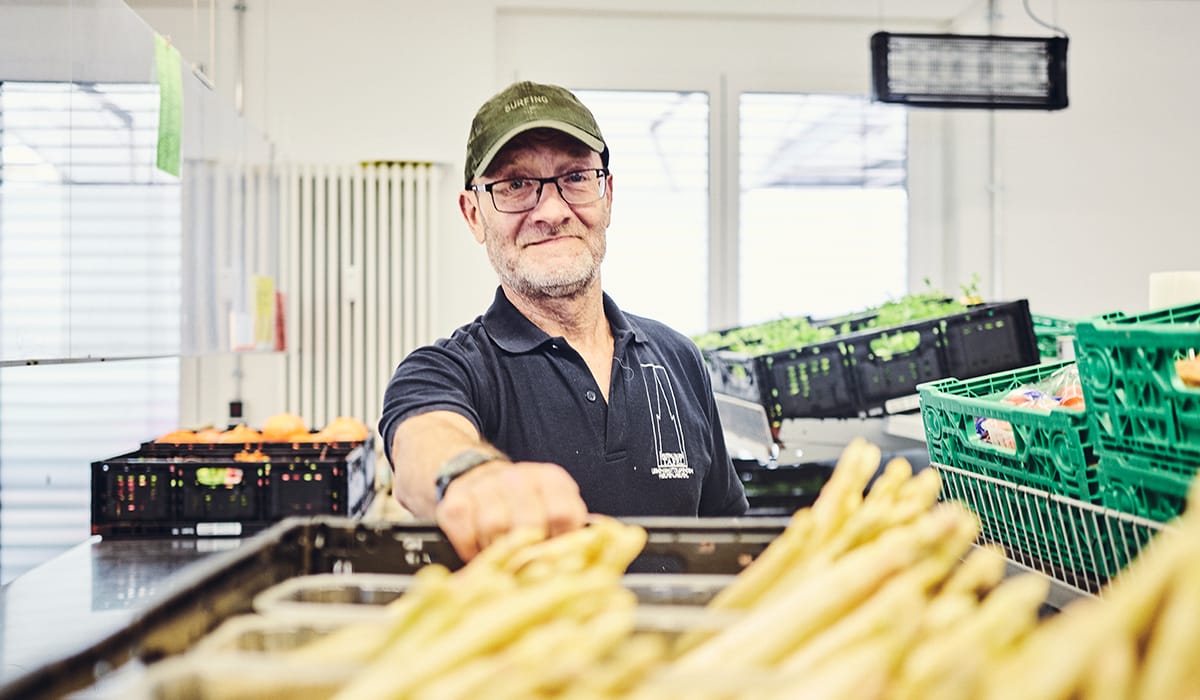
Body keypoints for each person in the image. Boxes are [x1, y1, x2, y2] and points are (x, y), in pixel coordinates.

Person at [379, 80, 747, 561]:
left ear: (607, 196)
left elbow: (728, 534)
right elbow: (423, 445)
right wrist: (473, 476)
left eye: (575, 177)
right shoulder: (448, 370)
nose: (551, 211)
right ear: (473, 215)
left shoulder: (679, 357)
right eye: (515, 185)